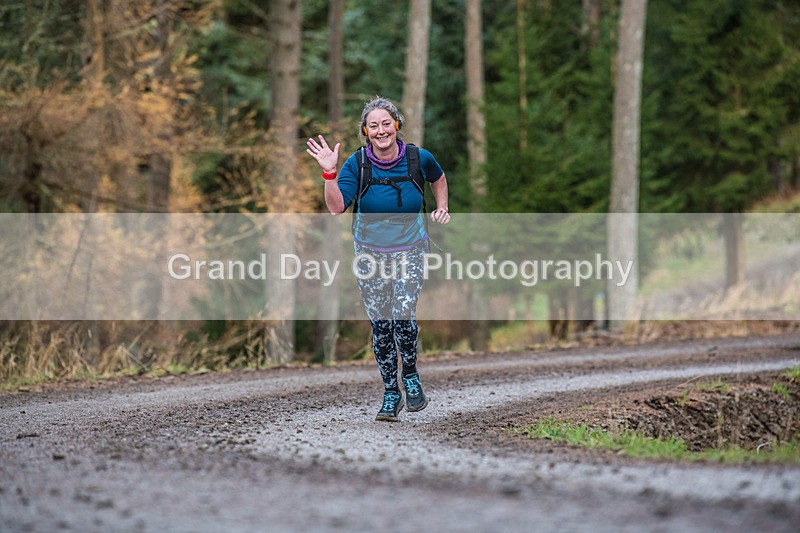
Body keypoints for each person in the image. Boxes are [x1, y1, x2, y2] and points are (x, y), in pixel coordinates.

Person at [306, 96, 450, 422]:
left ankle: (410, 374)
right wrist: (329, 174)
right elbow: (335, 207)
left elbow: (437, 177)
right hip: (369, 253)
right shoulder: (357, 165)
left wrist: (442, 206)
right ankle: (390, 392)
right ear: (365, 132)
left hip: (411, 248)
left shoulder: (418, 157)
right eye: (374, 126)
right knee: (381, 324)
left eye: (387, 123)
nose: (381, 130)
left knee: (402, 311)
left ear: (397, 125)